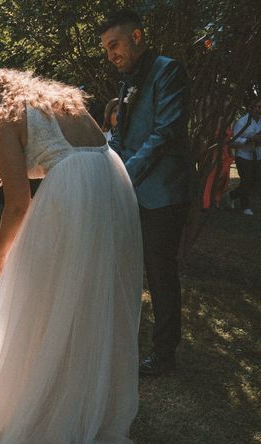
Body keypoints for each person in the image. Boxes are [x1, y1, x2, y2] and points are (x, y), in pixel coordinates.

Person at [0, 68, 190, 444]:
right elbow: (76, 153)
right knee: (89, 299)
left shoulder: (4, 118)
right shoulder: (57, 102)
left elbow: (19, 203)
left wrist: (0, 255)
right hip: (113, 180)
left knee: (45, 296)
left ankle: (49, 414)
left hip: (76, 192)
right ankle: (83, 408)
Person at [100, 9, 195, 376]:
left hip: (164, 192)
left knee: (160, 272)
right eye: (107, 50)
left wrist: (125, 173)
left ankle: (164, 353)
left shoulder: (169, 70)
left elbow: (164, 134)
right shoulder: (127, 81)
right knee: (126, 267)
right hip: (131, 190)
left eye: (115, 45)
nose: (111, 55)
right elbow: (122, 135)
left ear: (136, 36)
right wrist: (107, 166)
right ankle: (128, 341)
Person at [229, 96, 261, 215]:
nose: (259, 109)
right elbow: (233, 142)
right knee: (246, 180)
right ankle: (245, 206)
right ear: (250, 108)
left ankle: (232, 195)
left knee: (254, 181)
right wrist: (250, 140)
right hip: (243, 156)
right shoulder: (241, 122)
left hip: (257, 155)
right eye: (257, 107)